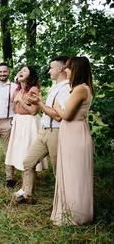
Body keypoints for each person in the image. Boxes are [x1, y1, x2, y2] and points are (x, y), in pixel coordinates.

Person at [14, 56, 70, 204]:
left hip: (56, 131)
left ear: (61, 69)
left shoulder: (67, 89)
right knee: (28, 162)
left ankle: (63, 204)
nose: (49, 71)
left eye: (51, 68)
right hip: (44, 130)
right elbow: (48, 108)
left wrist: (39, 103)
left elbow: (58, 116)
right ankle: (28, 196)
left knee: (58, 170)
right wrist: (39, 102)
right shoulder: (54, 87)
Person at [50, 56, 94, 226]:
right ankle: (68, 209)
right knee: (69, 172)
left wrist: (57, 107)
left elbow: (66, 115)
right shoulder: (80, 88)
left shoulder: (80, 90)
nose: (65, 70)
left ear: (76, 70)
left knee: (74, 174)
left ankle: (77, 214)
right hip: (72, 132)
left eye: (68, 68)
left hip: (75, 132)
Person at [5, 66, 47, 188]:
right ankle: (25, 186)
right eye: (20, 70)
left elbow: (34, 111)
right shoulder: (18, 90)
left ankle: (26, 187)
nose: (21, 72)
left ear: (31, 75)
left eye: (25, 70)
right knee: (19, 152)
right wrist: (17, 100)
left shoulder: (33, 89)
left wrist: (21, 101)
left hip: (29, 123)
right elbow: (15, 109)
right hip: (19, 121)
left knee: (27, 152)